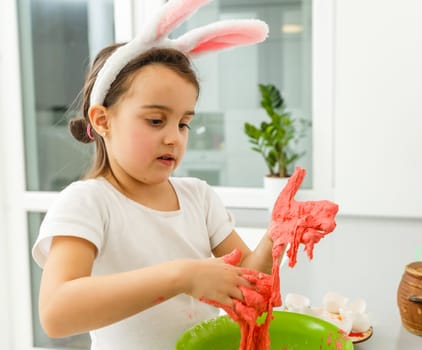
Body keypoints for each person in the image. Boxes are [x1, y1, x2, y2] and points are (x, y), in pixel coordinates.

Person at [32, 1, 272, 349]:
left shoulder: (198, 198)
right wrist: (181, 276)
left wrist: (275, 237)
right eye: (156, 120)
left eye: (184, 122)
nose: (174, 136)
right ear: (102, 120)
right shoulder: (88, 203)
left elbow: (250, 285)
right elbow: (56, 313)